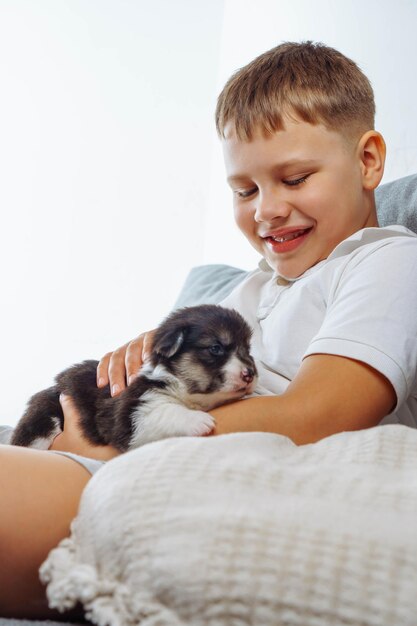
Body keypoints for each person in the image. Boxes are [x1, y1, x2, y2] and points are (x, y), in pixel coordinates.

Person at [1, 40, 416, 618]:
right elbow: (164, 368)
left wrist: (114, 446)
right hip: (135, 458)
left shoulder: (386, 260)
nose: (266, 210)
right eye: (244, 191)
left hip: (175, 476)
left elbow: (324, 415)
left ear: (369, 161)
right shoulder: (253, 288)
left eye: (294, 179)